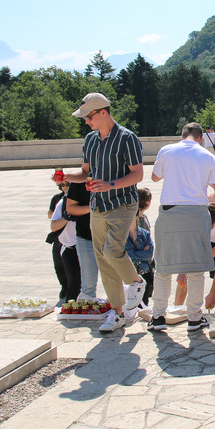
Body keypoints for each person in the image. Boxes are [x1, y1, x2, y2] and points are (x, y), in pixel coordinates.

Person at [63, 93, 147, 333]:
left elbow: (137, 174)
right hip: (97, 205)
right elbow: (84, 173)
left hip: (122, 203)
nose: (86, 121)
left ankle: (136, 281)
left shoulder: (127, 138)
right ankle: (118, 314)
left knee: (112, 250)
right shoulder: (89, 140)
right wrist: (66, 176)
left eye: (88, 117)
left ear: (103, 112)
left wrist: (109, 184)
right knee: (103, 258)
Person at [148, 122, 215, 332]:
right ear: (201, 138)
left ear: (182, 136)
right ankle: (194, 318)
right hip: (197, 213)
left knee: (163, 268)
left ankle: (158, 316)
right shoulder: (209, 156)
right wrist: (205, 197)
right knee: (196, 270)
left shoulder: (167, 150)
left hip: (169, 212)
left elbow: (155, 177)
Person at [64, 180, 97, 302]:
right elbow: (70, 209)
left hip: (111, 236)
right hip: (85, 236)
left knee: (114, 278)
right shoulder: (79, 181)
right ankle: (88, 305)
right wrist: (93, 207)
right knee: (88, 284)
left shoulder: (113, 176)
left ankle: (118, 308)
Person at [49, 188, 81, 303]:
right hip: (70, 248)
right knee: (73, 282)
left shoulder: (89, 202)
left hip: (88, 247)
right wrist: (66, 218)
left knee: (89, 283)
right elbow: (54, 227)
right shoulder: (62, 204)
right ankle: (71, 308)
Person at [47, 176, 72, 303]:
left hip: (72, 237)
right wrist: (62, 215)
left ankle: (71, 288)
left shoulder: (75, 199)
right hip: (58, 236)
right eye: (63, 185)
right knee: (58, 264)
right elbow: (50, 214)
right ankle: (64, 286)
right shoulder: (57, 199)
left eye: (68, 184)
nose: (65, 187)